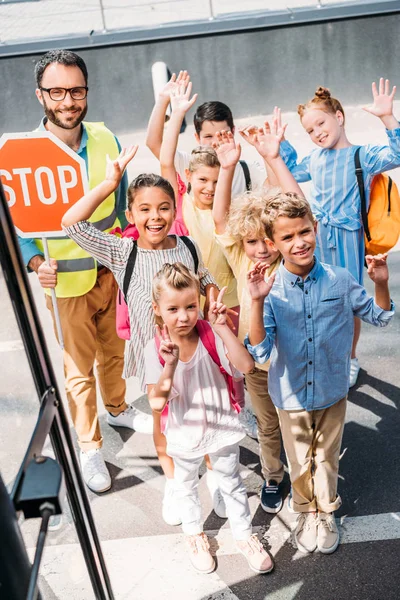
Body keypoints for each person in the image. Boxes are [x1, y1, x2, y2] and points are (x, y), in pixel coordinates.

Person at [245, 133, 395, 554]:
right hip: (289, 395)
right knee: (300, 460)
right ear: (274, 245)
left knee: (327, 457)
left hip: (331, 390)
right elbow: (259, 352)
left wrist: (381, 285)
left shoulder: (341, 280)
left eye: (305, 231)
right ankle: (305, 508)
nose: (300, 242)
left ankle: (325, 513)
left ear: (315, 229)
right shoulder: (269, 288)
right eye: (288, 237)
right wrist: (255, 305)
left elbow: (380, 316)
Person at [18, 49, 152, 494]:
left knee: (114, 354)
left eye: (76, 90)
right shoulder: (25, 154)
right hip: (67, 285)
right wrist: (37, 264)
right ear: (41, 95)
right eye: (56, 91)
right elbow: (19, 229)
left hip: (112, 275)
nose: (68, 100)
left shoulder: (104, 137)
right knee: (78, 369)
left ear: (86, 92)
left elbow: (118, 209)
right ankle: (89, 445)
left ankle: (116, 406)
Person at [61, 147, 219, 526]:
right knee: (164, 422)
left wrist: (211, 292)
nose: (155, 216)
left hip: (196, 350)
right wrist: (110, 183)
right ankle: (175, 484)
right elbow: (71, 223)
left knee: (206, 417)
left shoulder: (186, 245)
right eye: (145, 209)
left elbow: (204, 274)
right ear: (130, 215)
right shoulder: (122, 250)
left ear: (173, 210)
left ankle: (215, 477)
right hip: (154, 359)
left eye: (164, 207)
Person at [145, 263, 274, 575]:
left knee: (231, 482)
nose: (184, 316)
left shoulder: (209, 333)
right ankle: (195, 535)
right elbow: (156, 401)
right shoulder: (157, 349)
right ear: (158, 310)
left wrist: (221, 328)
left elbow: (245, 366)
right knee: (185, 486)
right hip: (183, 434)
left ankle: (244, 536)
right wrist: (171, 364)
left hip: (221, 427)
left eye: (190, 306)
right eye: (173, 309)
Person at [279, 78, 400, 386]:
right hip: (317, 240)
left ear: (340, 117)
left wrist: (387, 117)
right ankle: (326, 354)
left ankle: (350, 357)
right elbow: (290, 170)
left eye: (321, 123)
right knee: (318, 299)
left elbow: (397, 155)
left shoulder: (363, 155)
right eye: (310, 130)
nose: (317, 132)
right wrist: (279, 141)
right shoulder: (315, 159)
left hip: (348, 238)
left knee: (347, 301)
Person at [212, 120, 294, 513]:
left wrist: (273, 158)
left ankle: (305, 474)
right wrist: (227, 168)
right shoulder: (242, 257)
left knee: (297, 422)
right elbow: (220, 221)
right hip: (258, 363)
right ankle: (274, 476)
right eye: (252, 241)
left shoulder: (293, 260)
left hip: (295, 359)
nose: (261, 248)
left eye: (268, 239)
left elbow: (300, 209)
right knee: (267, 424)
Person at [145, 70, 266, 196]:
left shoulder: (248, 171)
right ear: (197, 137)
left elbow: (275, 190)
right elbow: (154, 143)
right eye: (208, 136)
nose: (215, 142)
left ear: (233, 131)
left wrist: (267, 154)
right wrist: (163, 100)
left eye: (222, 134)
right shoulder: (187, 164)